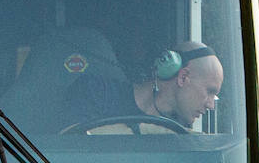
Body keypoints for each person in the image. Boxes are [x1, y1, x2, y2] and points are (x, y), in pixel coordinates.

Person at [66, 41, 223, 131]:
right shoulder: (96, 91)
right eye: (209, 92)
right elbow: (73, 144)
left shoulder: (179, 132)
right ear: (183, 77)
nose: (211, 105)